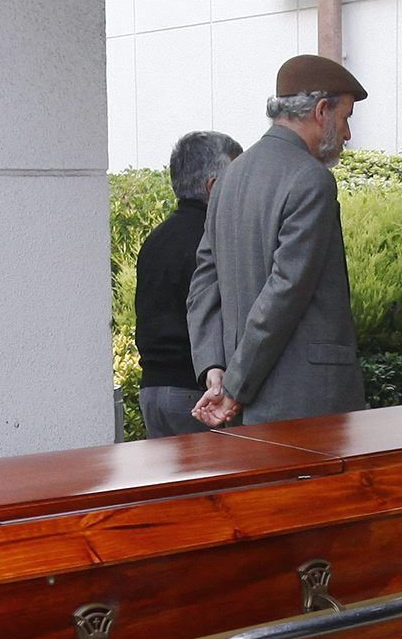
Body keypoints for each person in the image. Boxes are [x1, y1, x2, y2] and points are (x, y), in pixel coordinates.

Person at [188, 53, 367, 428]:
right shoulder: (311, 179)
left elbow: (204, 281)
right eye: (346, 116)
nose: (347, 133)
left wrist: (214, 368)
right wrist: (234, 387)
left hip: (247, 402)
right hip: (306, 404)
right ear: (321, 111)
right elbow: (285, 290)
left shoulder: (229, 177)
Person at [132, 130, 243, 438]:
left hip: (152, 390)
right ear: (214, 186)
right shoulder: (212, 240)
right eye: (236, 178)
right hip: (198, 394)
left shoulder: (156, 238)